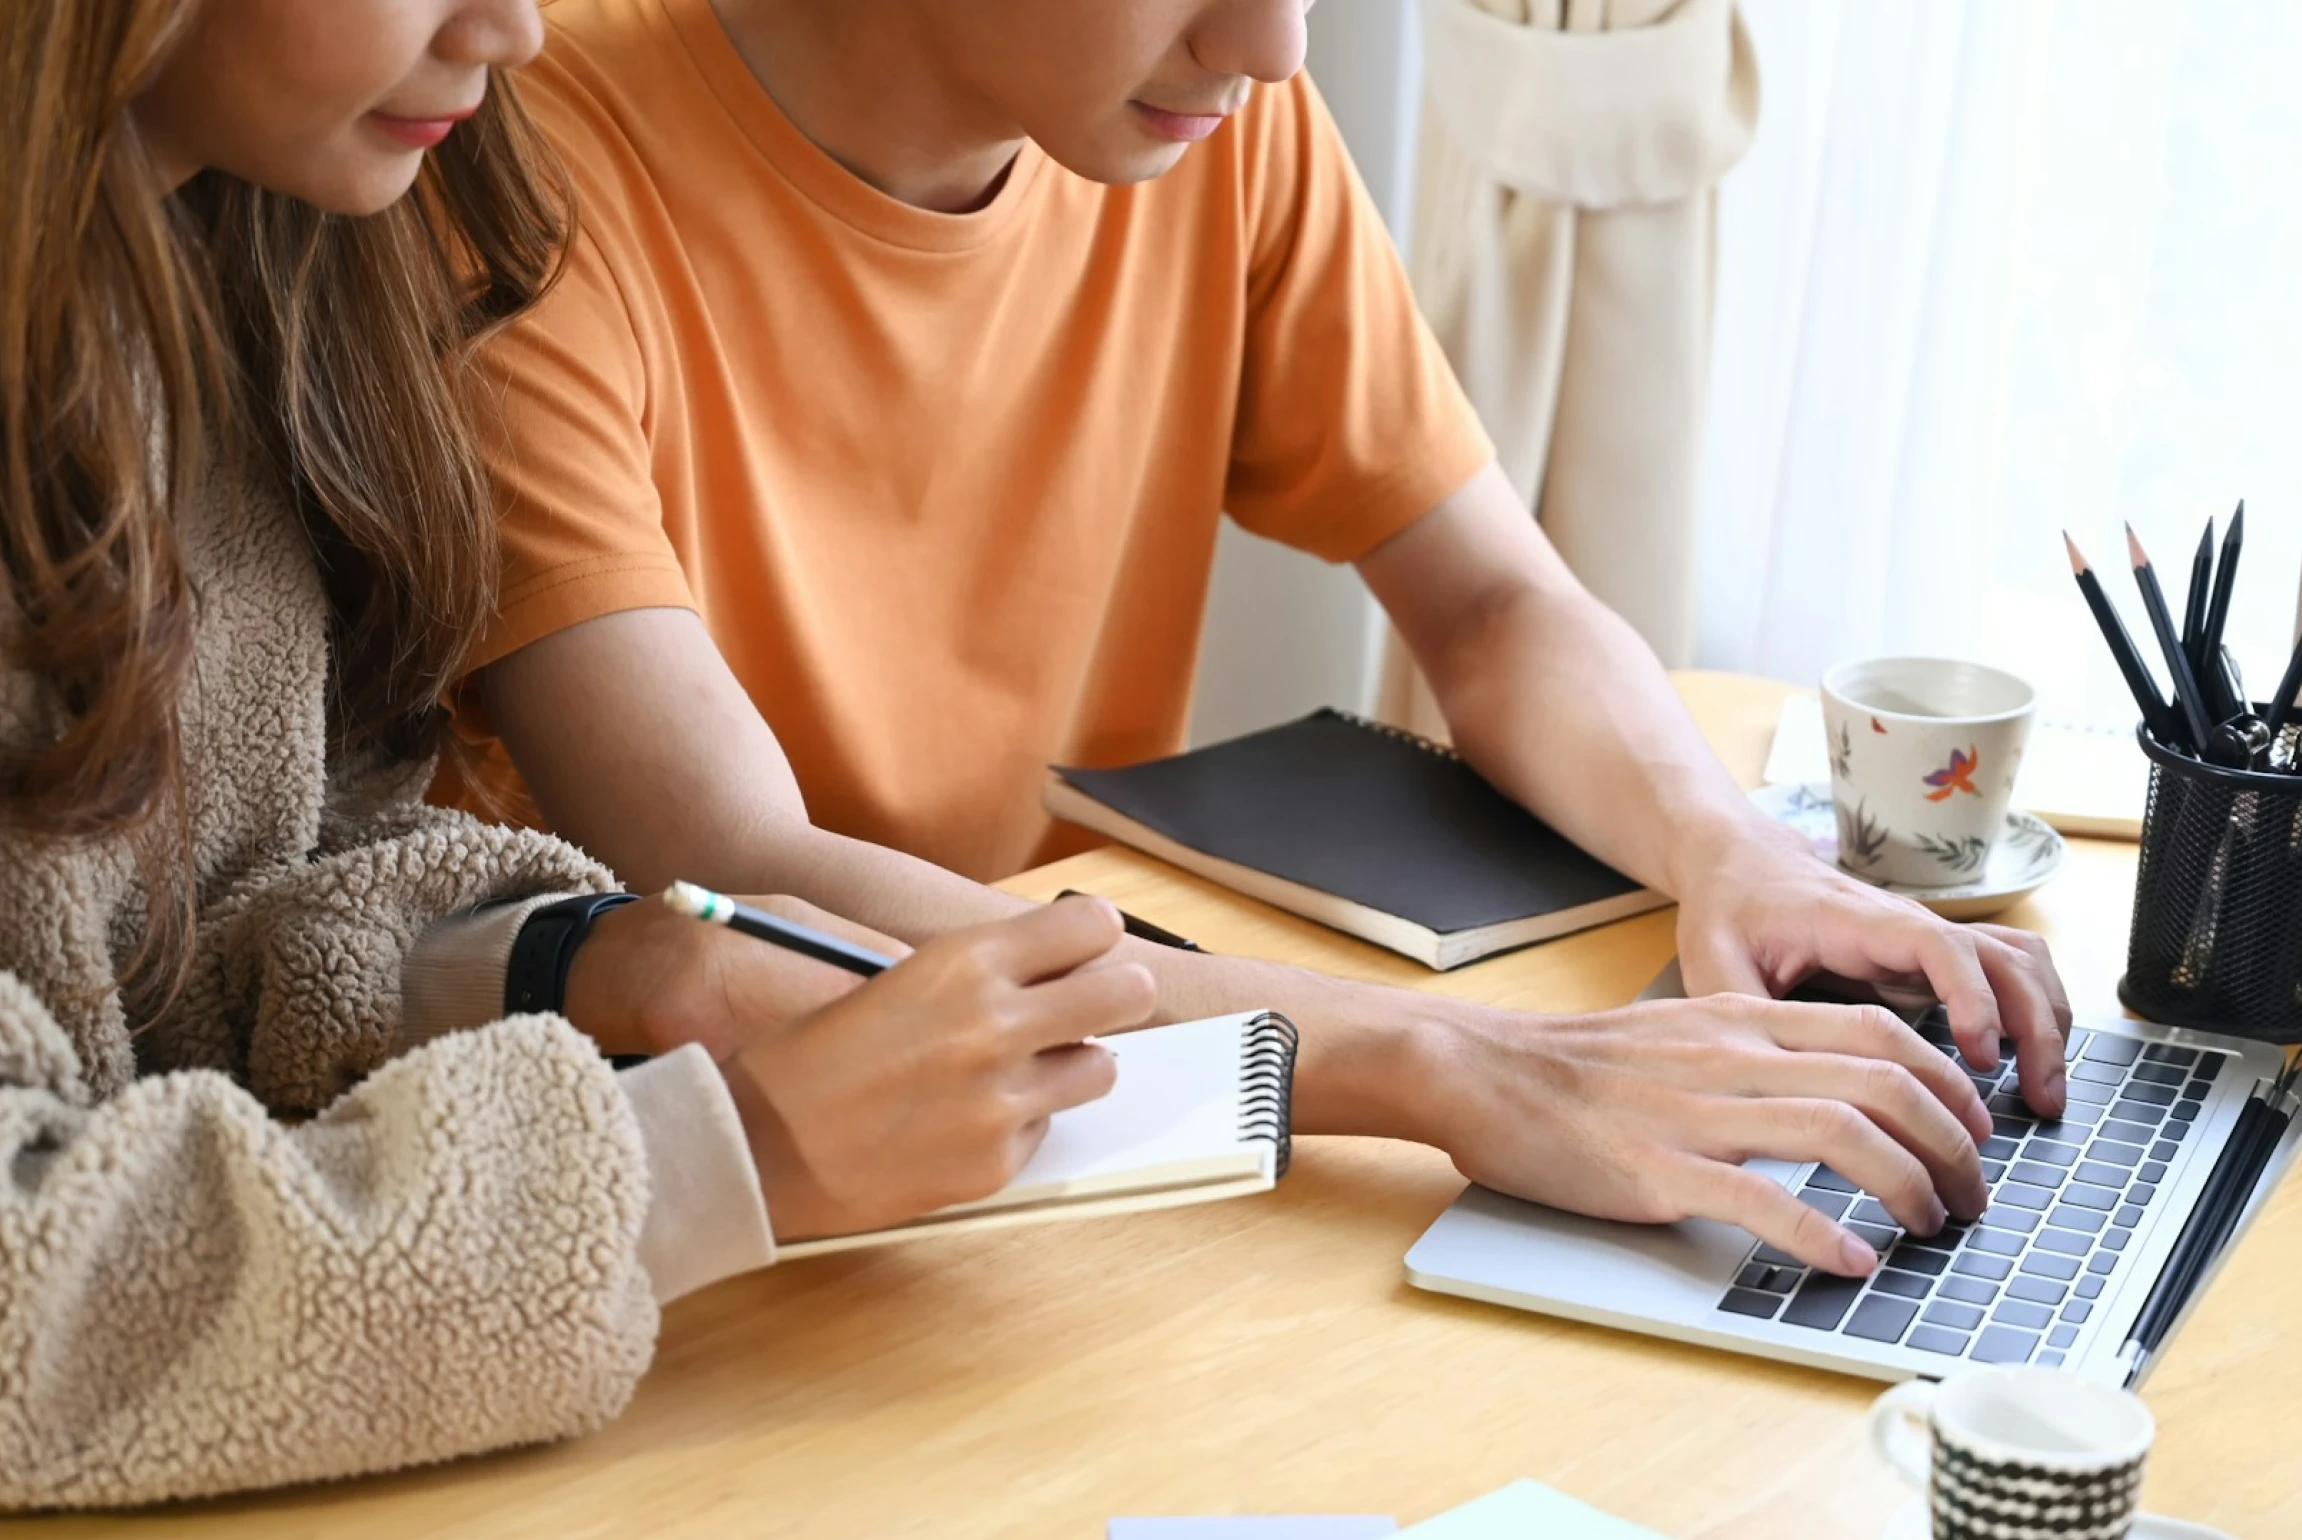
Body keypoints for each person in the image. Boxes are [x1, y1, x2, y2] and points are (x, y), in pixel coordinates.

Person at [449, 0, 2076, 1285]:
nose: (1274, 46)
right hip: (664, 1177)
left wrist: (1732, 855)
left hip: (1087, 1107)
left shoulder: (1209, 115)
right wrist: (1468, 1066)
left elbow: (1492, 602)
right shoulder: (514, 161)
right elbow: (745, 874)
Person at [0, 0, 1154, 1507]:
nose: (519, 27)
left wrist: (585, 969)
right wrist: (719, 1157)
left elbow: (199, 936)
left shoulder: (232, 285)